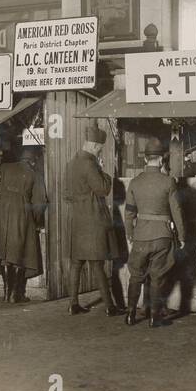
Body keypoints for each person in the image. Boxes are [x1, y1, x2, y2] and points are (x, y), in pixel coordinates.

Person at [123, 138, 186, 327]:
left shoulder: (134, 182)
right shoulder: (169, 182)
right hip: (162, 236)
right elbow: (177, 212)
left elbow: (129, 213)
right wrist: (181, 236)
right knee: (157, 275)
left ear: (145, 160)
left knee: (136, 275)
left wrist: (130, 234)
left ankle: (130, 314)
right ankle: (154, 317)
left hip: (141, 235)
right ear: (160, 160)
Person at [65, 123, 123, 316]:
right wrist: (105, 173)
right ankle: (110, 306)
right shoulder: (90, 164)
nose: (99, 151)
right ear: (92, 145)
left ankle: (73, 304)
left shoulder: (71, 163)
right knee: (97, 263)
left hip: (77, 220)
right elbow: (103, 189)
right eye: (99, 147)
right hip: (93, 219)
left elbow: (66, 194)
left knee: (76, 262)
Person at [0, 150, 47, 303]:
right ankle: (15, 295)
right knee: (20, 251)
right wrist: (35, 221)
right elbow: (40, 201)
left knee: (4, 252)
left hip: (1, 210)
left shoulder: (5, 167)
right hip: (21, 211)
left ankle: (6, 293)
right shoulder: (35, 174)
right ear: (32, 161)